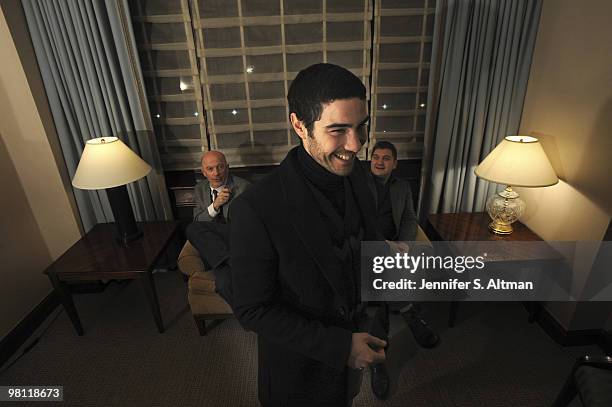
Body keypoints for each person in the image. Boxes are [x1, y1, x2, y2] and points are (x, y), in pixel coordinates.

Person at [230, 63, 388, 406]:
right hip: (298, 376)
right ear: (299, 125)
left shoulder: (359, 176)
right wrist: (340, 347)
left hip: (353, 357)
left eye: (361, 127)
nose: (356, 144)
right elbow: (252, 310)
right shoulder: (255, 208)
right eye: (338, 130)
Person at [366, 140, 440, 399]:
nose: (379, 161)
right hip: (368, 247)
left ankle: (381, 345)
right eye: (376, 156)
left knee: (382, 288)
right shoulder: (358, 185)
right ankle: (380, 357)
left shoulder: (402, 187)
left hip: (394, 247)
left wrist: (406, 244)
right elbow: (354, 225)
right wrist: (385, 244)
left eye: (386, 158)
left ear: (395, 164)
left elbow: (409, 217)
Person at [193, 150, 250, 223]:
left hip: (234, 230)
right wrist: (215, 206)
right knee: (191, 229)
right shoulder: (200, 188)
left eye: (220, 167)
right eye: (210, 169)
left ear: (227, 168)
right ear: (204, 172)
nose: (216, 173)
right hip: (211, 231)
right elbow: (197, 221)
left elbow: (247, 220)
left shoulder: (243, 187)